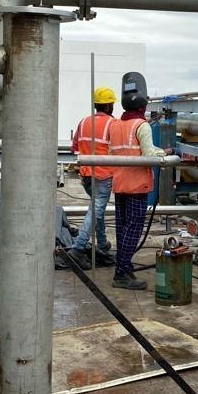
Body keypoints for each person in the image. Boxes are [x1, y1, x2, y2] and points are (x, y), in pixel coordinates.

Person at [108, 93, 166, 289]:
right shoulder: (142, 125)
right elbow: (149, 154)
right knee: (133, 230)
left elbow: (111, 152)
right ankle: (120, 273)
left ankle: (124, 267)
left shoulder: (115, 124)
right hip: (136, 185)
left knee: (122, 228)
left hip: (119, 183)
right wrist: (166, 153)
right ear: (142, 108)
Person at [67, 87, 118, 267]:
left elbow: (74, 148)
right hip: (103, 175)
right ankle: (78, 247)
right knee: (96, 210)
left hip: (86, 175)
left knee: (97, 211)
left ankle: (102, 244)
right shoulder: (113, 123)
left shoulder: (83, 121)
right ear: (109, 106)